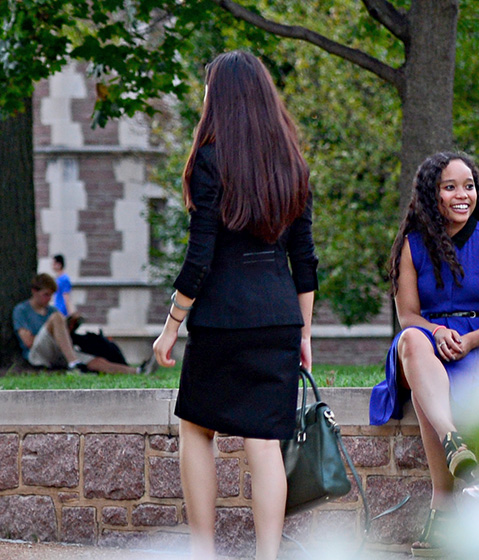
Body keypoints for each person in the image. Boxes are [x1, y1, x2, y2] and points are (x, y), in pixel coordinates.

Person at [151, 51, 318, 560]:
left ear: (218, 97)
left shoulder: (209, 158)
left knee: (197, 429)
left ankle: (203, 551)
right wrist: (304, 334)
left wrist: (170, 325)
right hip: (278, 319)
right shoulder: (293, 162)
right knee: (265, 441)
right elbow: (305, 260)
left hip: (223, 320)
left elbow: (199, 256)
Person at [368, 152, 479, 557]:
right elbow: (408, 315)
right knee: (412, 344)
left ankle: (442, 502)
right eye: (450, 186)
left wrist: (470, 341)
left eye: (468, 186)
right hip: (426, 341)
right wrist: (437, 332)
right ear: (430, 194)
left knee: (426, 390)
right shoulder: (412, 245)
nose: (462, 195)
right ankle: (453, 441)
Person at [13, 273, 151, 375]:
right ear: (34, 291)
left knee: (98, 362)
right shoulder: (22, 310)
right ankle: (74, 364)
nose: (48, 299)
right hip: (38, 353)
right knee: (57, 318)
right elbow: (28, 342)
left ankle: (137, 371)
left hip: (61, 350)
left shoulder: (51, 310)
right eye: (45, 294)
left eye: (51, 295)